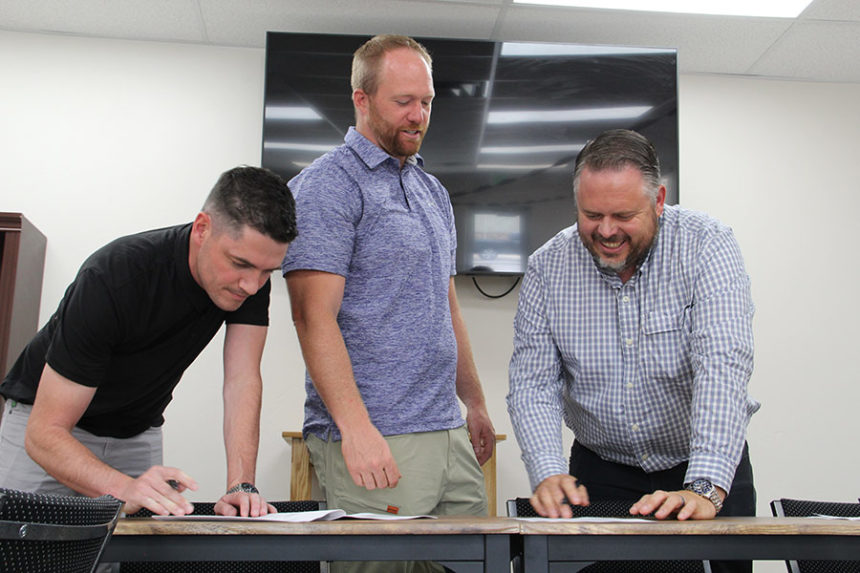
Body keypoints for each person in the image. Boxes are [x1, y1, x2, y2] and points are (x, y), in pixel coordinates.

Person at [282, 34, 494, 572]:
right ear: (361, 99)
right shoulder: (326, 187)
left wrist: (473, 403)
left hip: (446, 433)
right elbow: (312, 316)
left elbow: (445, 305)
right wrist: (356, 430)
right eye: (404, 101)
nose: (419, 115)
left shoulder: (433, 191)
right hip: (377, 440)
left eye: (425, 101)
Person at [507, 129, 758, 570]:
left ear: (659, 200)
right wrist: (547, 469)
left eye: (623, 215)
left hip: (701, 465)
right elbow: (533, 383)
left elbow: (722, 366)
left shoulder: (707, 245)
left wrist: (704, 487)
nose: (605, 231)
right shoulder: (548, 267)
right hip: (602, 472)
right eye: (591, 214)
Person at [0, 166, 297, 518]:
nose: (252, 285)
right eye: (240, 264)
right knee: (23, 546)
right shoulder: (115, 275)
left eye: (267, 272)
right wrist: (123, 487)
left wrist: (241, 485)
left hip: (135, 430)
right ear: (202, 229)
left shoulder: (251, 284)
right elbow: (43, 433)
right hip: (49, 425)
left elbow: (242, 378)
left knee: (118, 556)